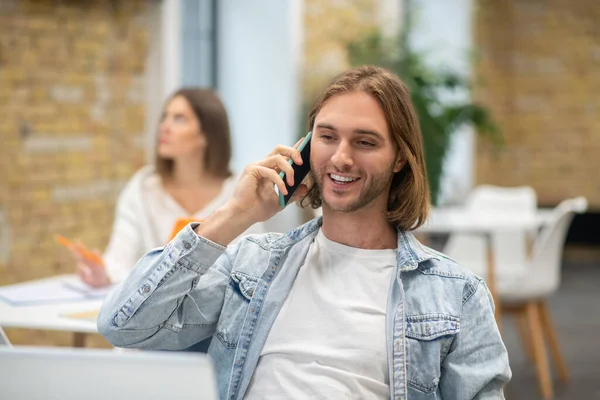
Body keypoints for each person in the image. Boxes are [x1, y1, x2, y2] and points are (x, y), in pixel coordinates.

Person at [98, 66, 511, 399]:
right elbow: (124, 326)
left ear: (400, 159)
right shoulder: (253, 264)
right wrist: (236, 215)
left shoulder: (456, 293)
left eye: (365, 142)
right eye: (327, 137)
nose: (341, 157)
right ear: (305, 147)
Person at [70, 88, 265, 287]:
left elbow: (254, 265)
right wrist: (103, 274)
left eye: (179, 119)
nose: (164, 126)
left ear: (206, 134)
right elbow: (120, 258)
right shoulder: (143, 188)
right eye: (165, 117)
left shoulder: (239, 190)